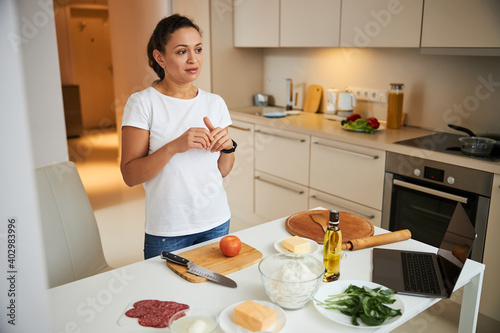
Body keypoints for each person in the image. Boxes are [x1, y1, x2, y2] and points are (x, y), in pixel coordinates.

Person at [120, 14, 236, 260]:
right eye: (182, 51)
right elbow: (130, 175)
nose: (193, 59)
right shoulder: (142, 103)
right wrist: (174, 146)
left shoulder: (215, 103)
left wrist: (228, 148)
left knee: (212, 294)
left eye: (198, 49)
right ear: (159, 57)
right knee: (167, 298)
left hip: (216, 221)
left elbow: (222, 171)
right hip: (168, 229)